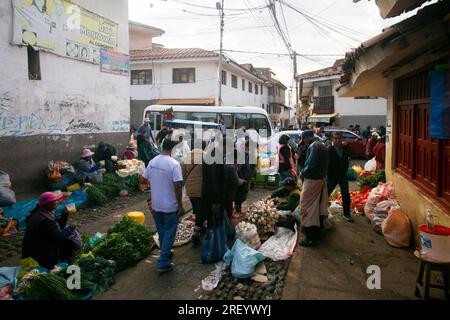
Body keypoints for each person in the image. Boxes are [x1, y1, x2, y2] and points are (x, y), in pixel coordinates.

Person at [142, 139, 185, 273]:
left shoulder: (153, 161)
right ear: (172, 150)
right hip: (170, 205)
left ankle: (165, 251)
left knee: (162, 231)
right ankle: (163, 262)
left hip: (156, 204)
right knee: (169, 232)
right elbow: (178, 186)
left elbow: (143, 179)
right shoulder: (174, 164)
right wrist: (180, 205)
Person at [22, 192, 78, 269]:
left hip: (34, 248)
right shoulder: (46, 219)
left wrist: (64, 214)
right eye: (55, 201)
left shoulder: (40, 212)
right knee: (69, 242)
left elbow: (58, 228)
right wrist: (71, 227)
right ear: (49, 204)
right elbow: (59, 237)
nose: (58, 202)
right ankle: (58, 264)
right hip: (40, 253)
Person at [298, 130, 330, 247]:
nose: (303, 142)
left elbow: (311, 166)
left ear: (307, 137)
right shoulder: (322, 144)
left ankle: (310, 238)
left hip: (312, 181)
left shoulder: (314, 146)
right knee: (318, 206)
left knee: (307, 207)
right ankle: (317, 232)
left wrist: (302, 172)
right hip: (320, 180)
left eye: (303, 139)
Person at [183, 141, 205, 245]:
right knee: (201, 208)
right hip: (201, 188)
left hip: (190, 188)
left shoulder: (187, 156)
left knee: (196, 208)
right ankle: (197, 231)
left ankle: (200, 226)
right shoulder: (205, 157)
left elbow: (182, 174)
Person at [327, 132, 353, 222]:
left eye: (339, 138)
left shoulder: (345, 148)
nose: (337, 140)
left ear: (342, 139)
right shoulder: (329, 149)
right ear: (332, 139)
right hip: (332, 176)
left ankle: (347, 214)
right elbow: (326, 163)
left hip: (343, 175)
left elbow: (350, 155)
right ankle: (322, 212)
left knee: (345, 194)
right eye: (335, 138)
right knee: (326, 194)